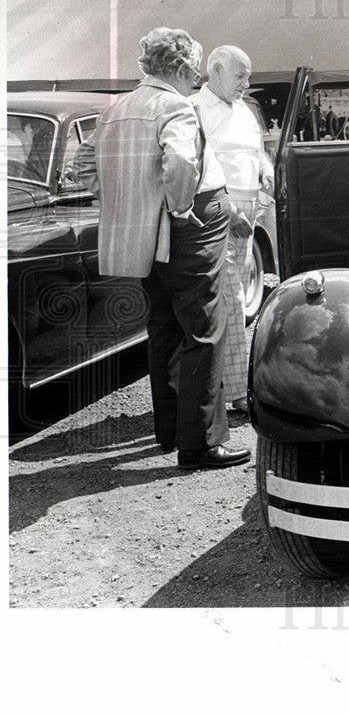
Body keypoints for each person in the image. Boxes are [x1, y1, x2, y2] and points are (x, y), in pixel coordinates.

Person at [74, 28, 251, 470]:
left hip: (147, 230)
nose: (195, 79)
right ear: (177, 68)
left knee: (165, 328)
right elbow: (179, 161)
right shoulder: (175, 105)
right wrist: (181, 205)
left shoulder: (115, 108)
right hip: (192, 225)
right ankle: (202, 444)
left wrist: (124, 201)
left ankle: (169, 432)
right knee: (205, 329)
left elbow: (82, 165)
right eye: (192, 70)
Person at [192, 45, 273, 413]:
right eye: (240, 76)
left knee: (235, 297)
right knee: (231, 298)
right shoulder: (195, 109)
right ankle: (237, 391)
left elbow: (256, 151)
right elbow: (197, 168)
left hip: (249, 209)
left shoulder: (243, 109)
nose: (247, 83)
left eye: (249, 76)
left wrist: (265, 168)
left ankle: (227, 385)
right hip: (217, 211)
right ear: (217, 71)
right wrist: (228, 210)